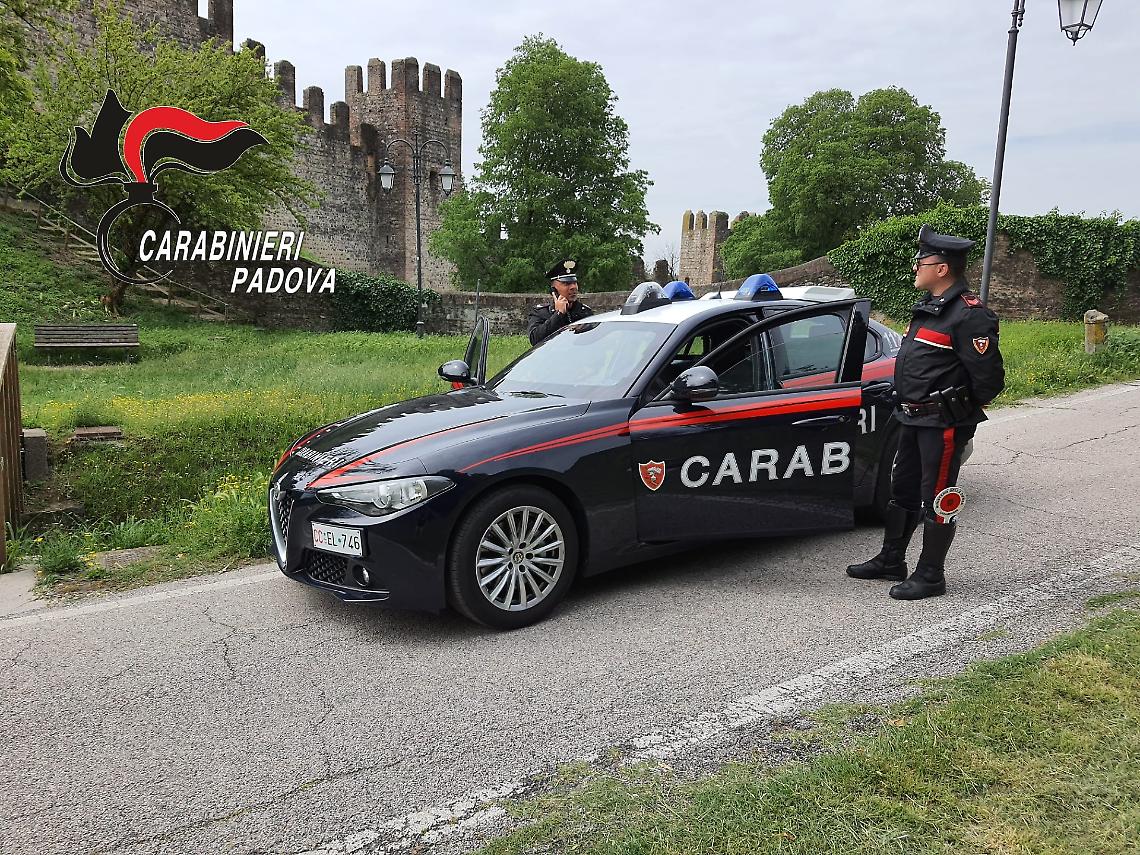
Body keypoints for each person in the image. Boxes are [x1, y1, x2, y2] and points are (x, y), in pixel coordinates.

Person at [846, 225, 1005, 600]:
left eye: (922, 261)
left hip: (942, 422)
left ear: (943, 268)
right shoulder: (929, 310)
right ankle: (891, 560)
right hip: (912, 418)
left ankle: (931, 574)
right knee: (901, 489)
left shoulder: (969, 316)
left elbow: (989, 377)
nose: (916, 267)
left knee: (938, 495)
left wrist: (958, 411)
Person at [526, 259, 594, 345]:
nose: (573, 287)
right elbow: (535, 340)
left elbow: (592, 340)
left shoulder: (584, 311)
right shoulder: (541, 312)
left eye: (574, 283)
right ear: (553, 289)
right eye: (566, 283)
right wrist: (558, 315)